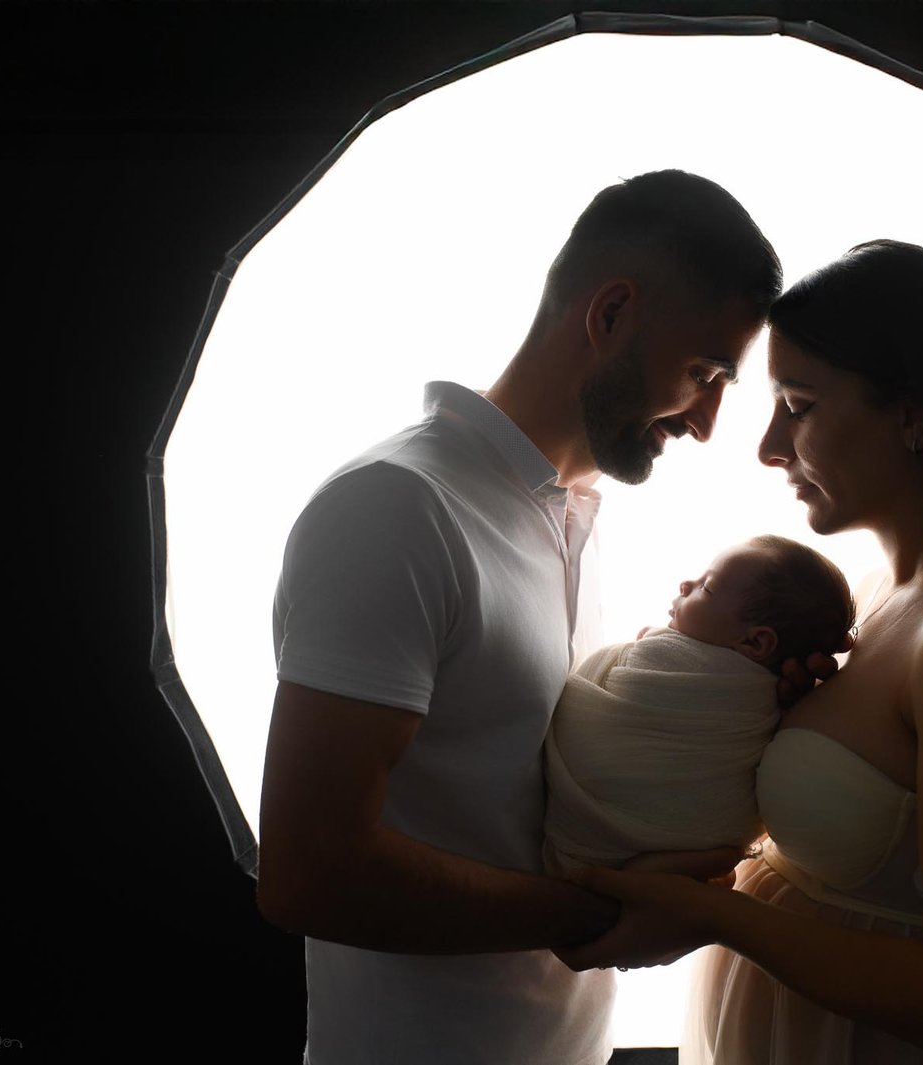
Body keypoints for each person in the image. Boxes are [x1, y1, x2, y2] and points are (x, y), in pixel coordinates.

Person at [256, 170, 782, 1065]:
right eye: (704, 374)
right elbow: (308, 873)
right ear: (610, 313)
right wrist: (605, 916)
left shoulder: (570, 515)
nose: (706, 422)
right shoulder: (396, 508)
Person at [558, 240, 923, 1065]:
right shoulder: (873, 599)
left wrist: (711, 914)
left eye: (798, 406)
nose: (769, 446)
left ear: (913, 415)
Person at [543, 535, 855, 876]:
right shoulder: (767, 696)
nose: (685, 584)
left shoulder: (675, 661)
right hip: (676, 850)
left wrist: (651, 642)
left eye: (706, 587)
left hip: (595, 839)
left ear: (756, 641)